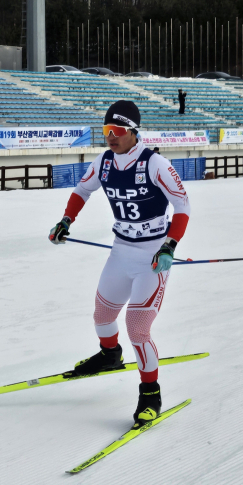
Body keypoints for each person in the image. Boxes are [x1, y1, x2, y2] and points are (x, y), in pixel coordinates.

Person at [49, 100, 191, 427]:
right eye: (106, 130)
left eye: (117, 131)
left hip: (153, 257)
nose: (110, 137)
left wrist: (170, 244)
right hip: (121, 250)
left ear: (133, 132)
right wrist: (66, 221)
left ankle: (150, 393)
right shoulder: (104, 161)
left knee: (138, 328)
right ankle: (110, 355)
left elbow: (182, 206)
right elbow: (82, 190)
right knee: (102, 316)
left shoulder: (155, 163)